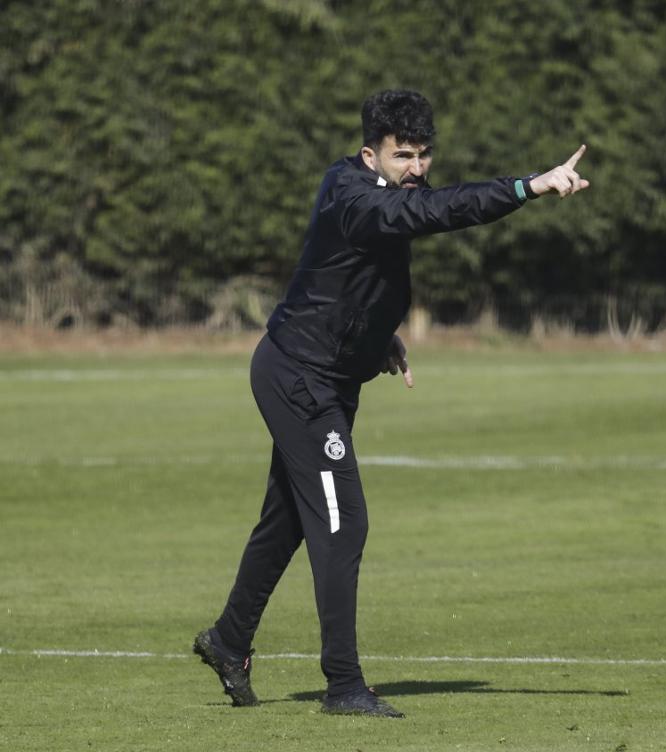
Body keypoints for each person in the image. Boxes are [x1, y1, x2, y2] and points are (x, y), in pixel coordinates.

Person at [193, 89, 590, 718]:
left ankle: (228, 639)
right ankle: (344, 686)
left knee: (289, 520)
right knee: (342, 521)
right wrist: (528, 187)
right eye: (404, 155)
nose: (418, 168)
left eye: (425, 155)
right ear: (369, 154)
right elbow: (432, 213)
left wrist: (382, 338)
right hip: (300, 379)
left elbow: (354, 278)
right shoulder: (352, 195)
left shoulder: (382, 193)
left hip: (328, 376)